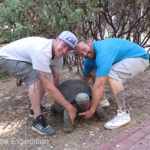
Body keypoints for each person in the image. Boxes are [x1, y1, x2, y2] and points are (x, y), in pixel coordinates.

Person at [0, 31, 78, 135]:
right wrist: (69, 107)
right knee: (36, 78)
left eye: (68, 49)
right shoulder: (42, 50)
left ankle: (34, 109)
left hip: (23, 59)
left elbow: (55, 83)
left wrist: (63, 103)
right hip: (5, 58)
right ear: (57, 40)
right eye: (64, 46)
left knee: (43, 77)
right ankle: (37, 120)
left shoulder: (58, 57)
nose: (65, 51)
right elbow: (49, 87)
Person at [76, 38, 149, 129]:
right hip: (125, 59)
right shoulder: (88, 60)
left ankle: (123, 114)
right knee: (92, 72)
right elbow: (84, 79)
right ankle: (103, 101)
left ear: (89, 42)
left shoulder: (103, 52)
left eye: (84, 50)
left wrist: (92, 110)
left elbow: (99, 85)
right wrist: (77, 99)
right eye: (81, 54)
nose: (85, 54)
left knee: (111, 74)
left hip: (140, 58)